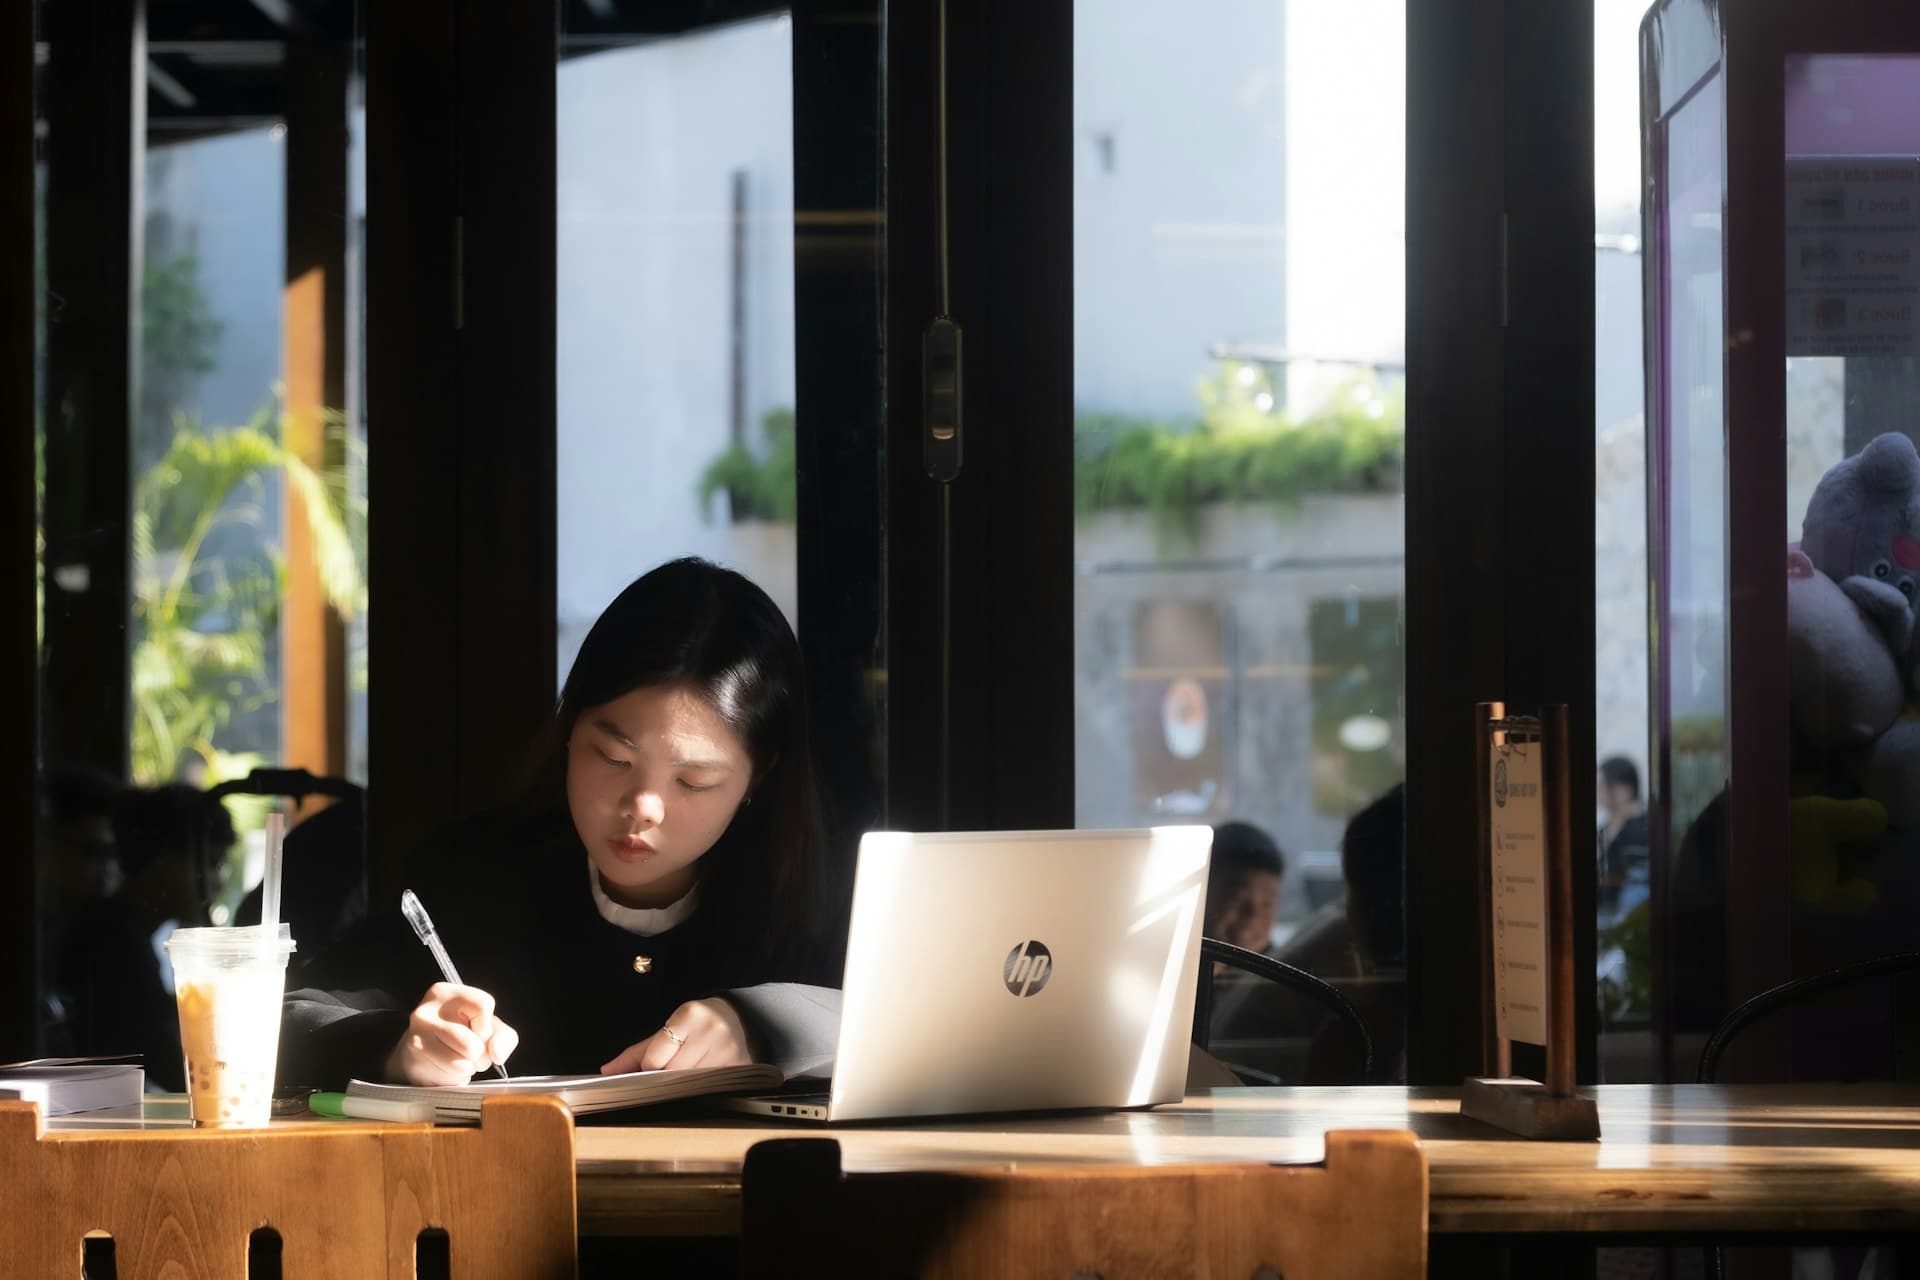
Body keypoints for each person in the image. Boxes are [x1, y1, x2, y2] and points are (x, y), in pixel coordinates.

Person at [280, 558, 845, 1089]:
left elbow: (916, 1018)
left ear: (759, 778)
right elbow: (284, 1017)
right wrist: (397, 1046)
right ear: (570, 728)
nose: (643, 804)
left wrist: (765, 1021)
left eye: (693, 781)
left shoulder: (817, 902)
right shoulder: (476, 879)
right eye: (613, 758)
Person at [53, 783, 235, 1090]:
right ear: (164, 863)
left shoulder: (119, 931)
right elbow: (170, 1060)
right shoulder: (112, 942)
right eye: (210, 864)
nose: (216, 882)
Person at [1203, 821, 1285, 954]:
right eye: (1236, 899)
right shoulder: (1178, 967)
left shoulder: (1281, 968)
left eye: (1267, 904)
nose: (1253, 915)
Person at [1597, 755, 1649, 921]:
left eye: (1602, 786)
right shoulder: (1604, 829)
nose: (1598, 792)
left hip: (1627, 916)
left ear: (1624, 789)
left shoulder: (1642, 829)